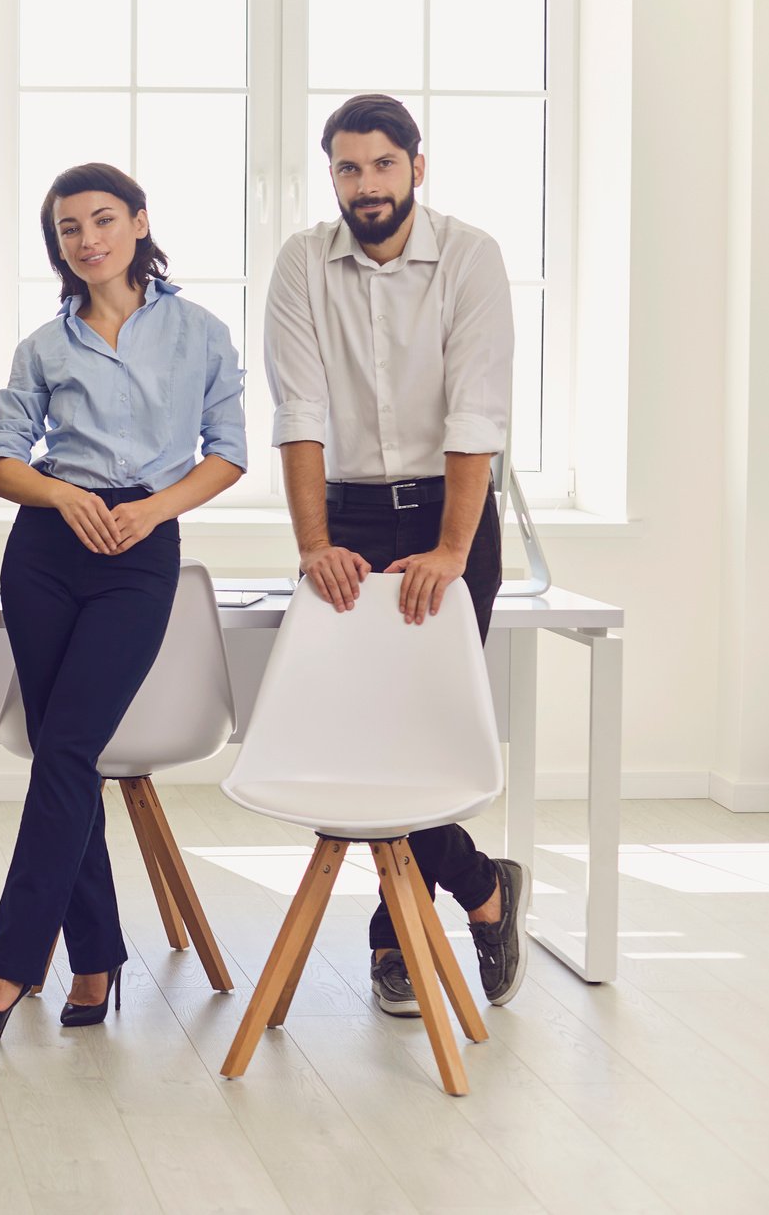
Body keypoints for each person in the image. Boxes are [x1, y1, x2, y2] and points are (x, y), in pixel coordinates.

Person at [0, 163, 247, 1036]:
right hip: (48, 548)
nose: (87, 240)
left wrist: (150, 510)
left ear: (138, 223)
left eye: (102, 220)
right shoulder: (44, 347)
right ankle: (94, 960)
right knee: (61, 751)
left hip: (138, 553)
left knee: (69, 745)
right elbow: (0, 460)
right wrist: (64, 497)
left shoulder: (197, 332)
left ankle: (7, 967)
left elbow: (227, 450)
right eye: (69, 229)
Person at [264, 93, 532, 1016]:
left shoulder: (470, 257)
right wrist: (312, 543)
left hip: (446, 516)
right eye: (347, 167)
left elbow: (474, 413)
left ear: (418, 167)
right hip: (344, 517)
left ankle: (392, 937)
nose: (365, 184)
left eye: (382, 164)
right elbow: (298, 411)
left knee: (414, 732)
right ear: (331, 175)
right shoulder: (302, 261)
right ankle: (477, 886)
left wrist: (451, 549)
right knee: (355, 737)